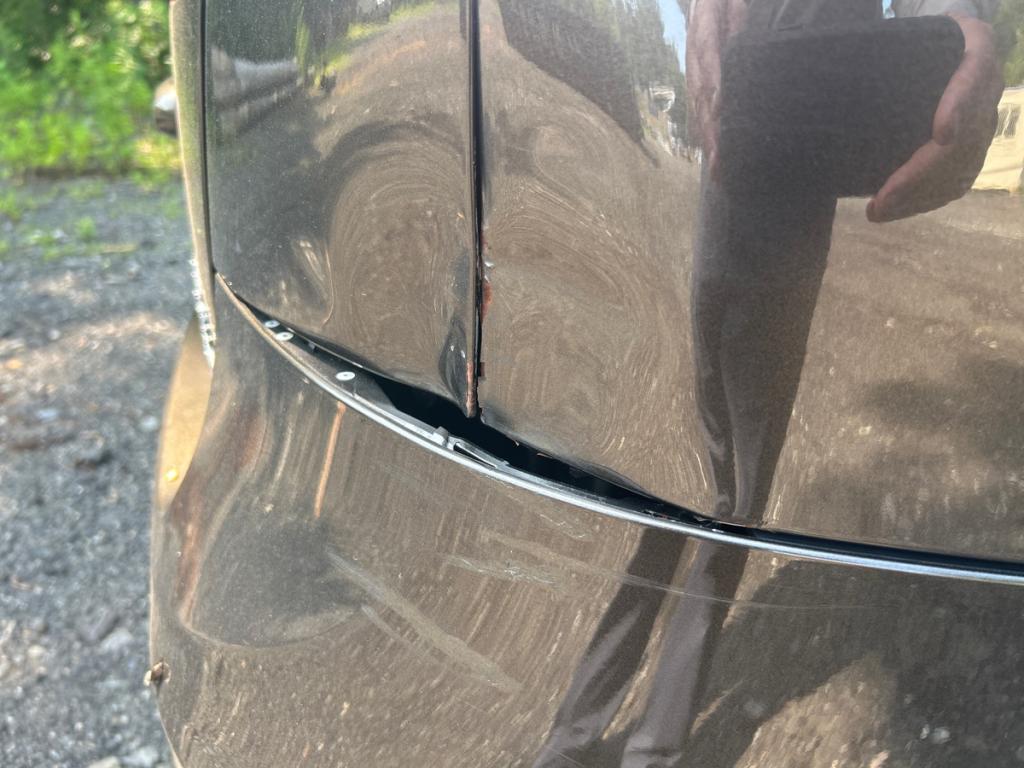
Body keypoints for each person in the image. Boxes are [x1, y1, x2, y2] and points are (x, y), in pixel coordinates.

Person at [532, 1, 1004, 765]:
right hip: (701, 117)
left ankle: (622, 743)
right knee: (679, 467)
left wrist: (959, 20)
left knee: (711, 478)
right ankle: (597, 739)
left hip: (788, 144)